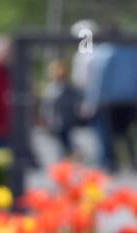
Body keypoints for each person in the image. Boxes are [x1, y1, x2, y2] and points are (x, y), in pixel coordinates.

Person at [82, 35, 137, 172]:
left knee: (106, 133)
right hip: (130, 99)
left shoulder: (104, 52)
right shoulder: (131, 51)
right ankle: (132, 162)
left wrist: (92, 101)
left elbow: (99, 79)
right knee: (127, 133)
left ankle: (109, 163)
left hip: (109, 101)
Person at [40, 59, 80, 159]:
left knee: (66, 145)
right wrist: (46, 121)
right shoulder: (51, 89)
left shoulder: (69, 89)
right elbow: (46, 107)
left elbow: (75, 104)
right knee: (58, 147)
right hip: (54, 122)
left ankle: (68, 162)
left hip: (67, 122)